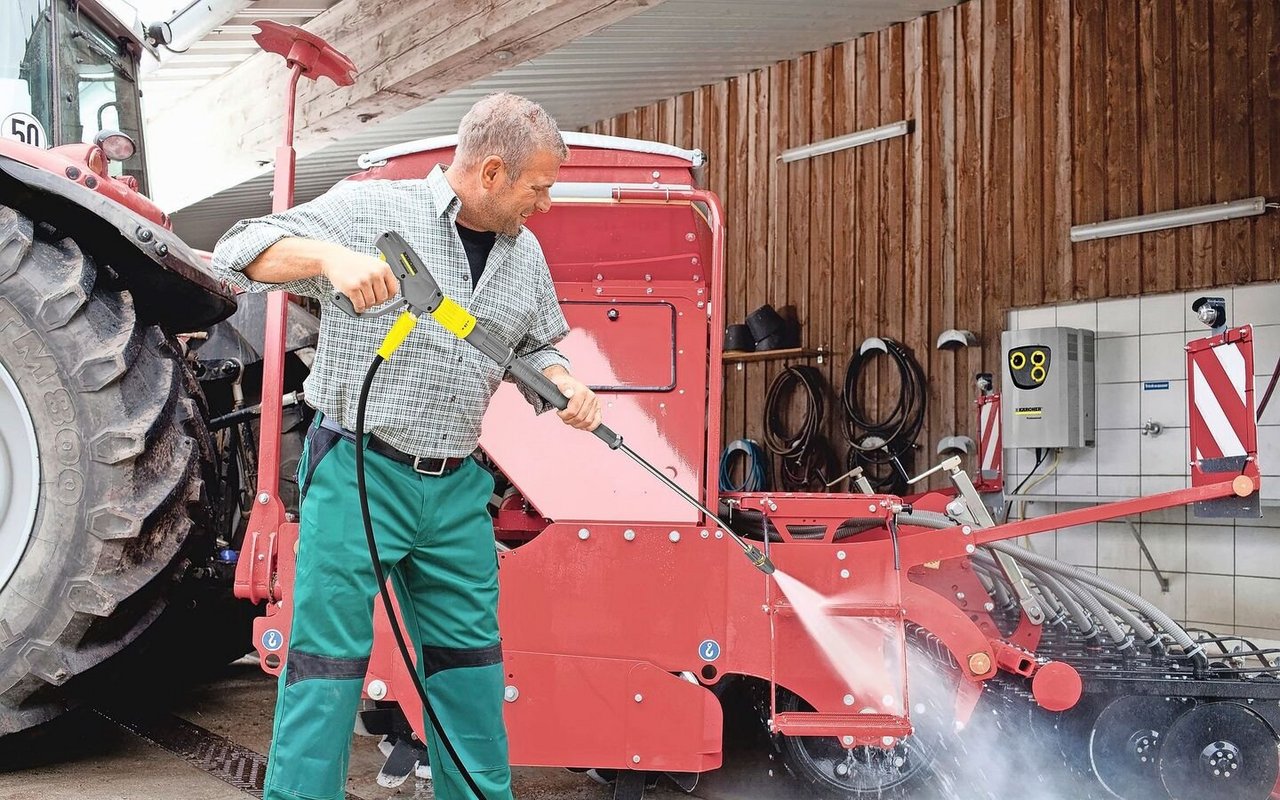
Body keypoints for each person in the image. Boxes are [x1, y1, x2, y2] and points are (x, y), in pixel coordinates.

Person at [211, 92, 600, 800]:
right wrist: (329, 259)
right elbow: (237, 250)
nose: (545, 203)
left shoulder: (524, 253)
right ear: (491, 173)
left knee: (472, 672)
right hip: (360, 471)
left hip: (456, 488)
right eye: (538, 186)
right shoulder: (371, 212)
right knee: (328, 668)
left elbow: (536, 343)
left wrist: (565, 381)